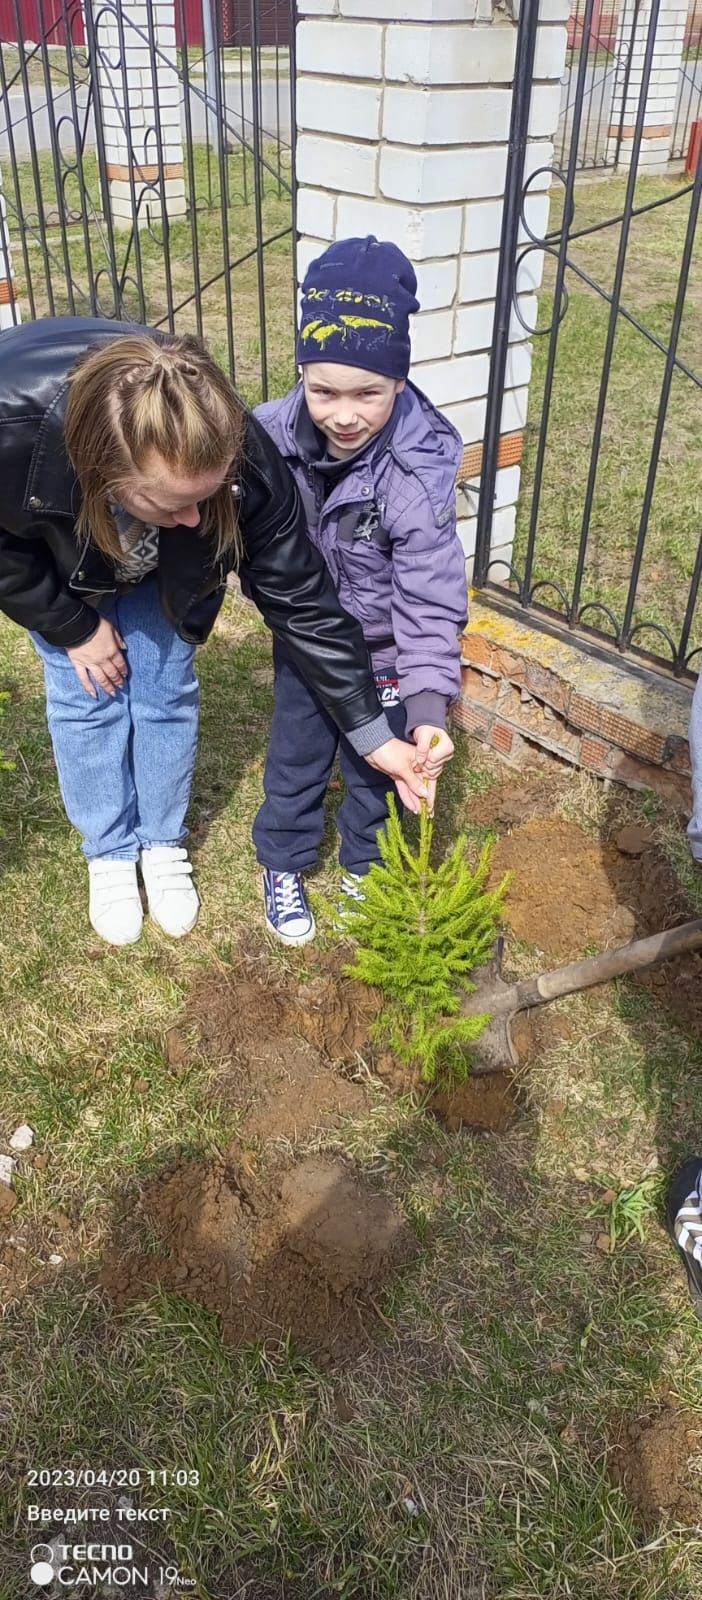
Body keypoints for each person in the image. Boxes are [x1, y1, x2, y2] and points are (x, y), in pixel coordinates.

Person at [0, 316, 434, 947]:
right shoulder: (12, 435)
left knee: (163, 686)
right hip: (57, 559)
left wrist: (375, 737)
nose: (197, 516)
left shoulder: (244, 464)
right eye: (171, 502)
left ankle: (161, 841)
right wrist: (69, 625)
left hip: (164, 568)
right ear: (105, 473)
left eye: (207, 496)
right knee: (86, 694)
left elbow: (304, 601)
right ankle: (111, 851)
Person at [253, 235, 467, 946]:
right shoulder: (266, 442)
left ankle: (364, 869)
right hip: (308, 647)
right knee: (296, 758)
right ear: (303, 373)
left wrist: (430, 704)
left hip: (385, 657)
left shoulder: (417, 470)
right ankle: (282, 861)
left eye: (368, 393)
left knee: (376, 776)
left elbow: (430, 598)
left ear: (399, 382)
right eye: (324, 391)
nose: (344, 414)